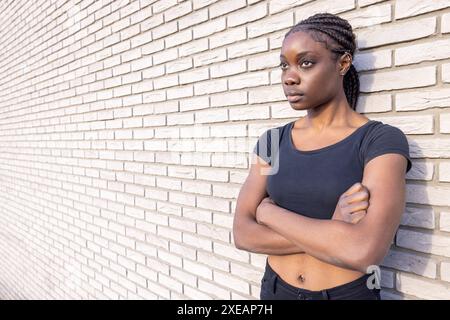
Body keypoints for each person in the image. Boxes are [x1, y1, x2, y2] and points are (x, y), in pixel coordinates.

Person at [232, 12, 412, 300]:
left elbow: (363, 251)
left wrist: (269, 213)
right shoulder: (272, 143)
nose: (289, 77)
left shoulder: (379, 140)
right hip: (276, 290)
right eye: (284, 65)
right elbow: (242, 233)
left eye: (305, 63)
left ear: (343, 63)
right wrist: (333, 230)